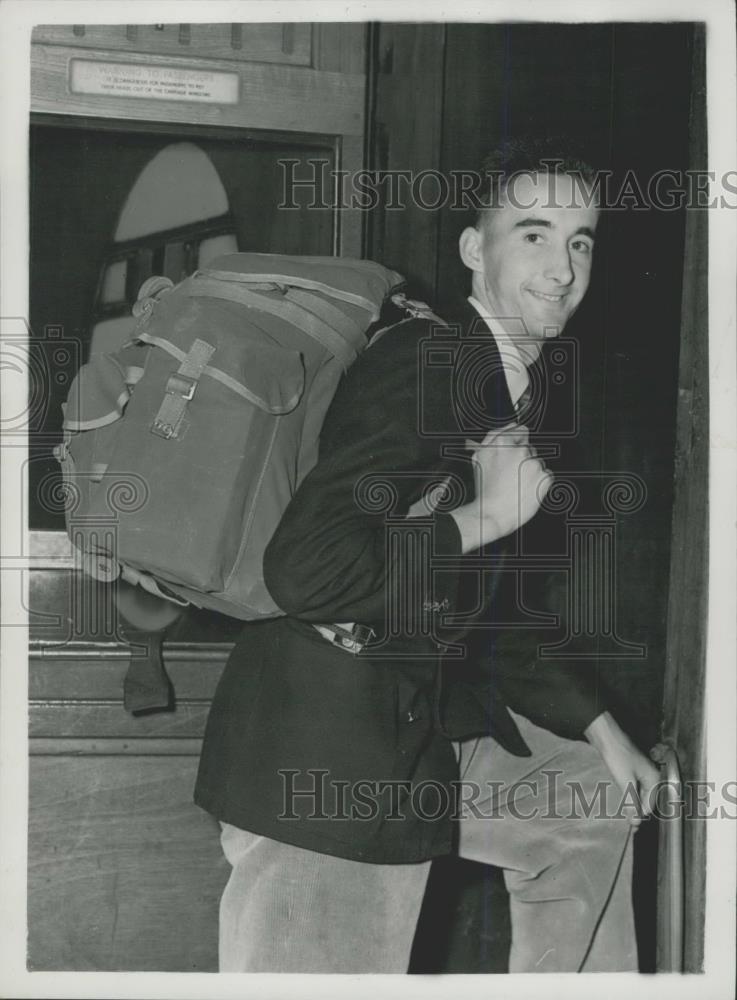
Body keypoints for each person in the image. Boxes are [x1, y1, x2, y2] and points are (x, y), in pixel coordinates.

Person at [194, 138, 661, 973]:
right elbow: (304, 569)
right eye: (533, 234)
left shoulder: (505, 382)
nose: (561, 267)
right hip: (325, 753)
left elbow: (483, 609)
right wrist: (484, 516)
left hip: (410, 727)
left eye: (580, 240)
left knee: (591, 800)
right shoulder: (426, 361)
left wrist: (599, 726)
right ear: (475, 251)